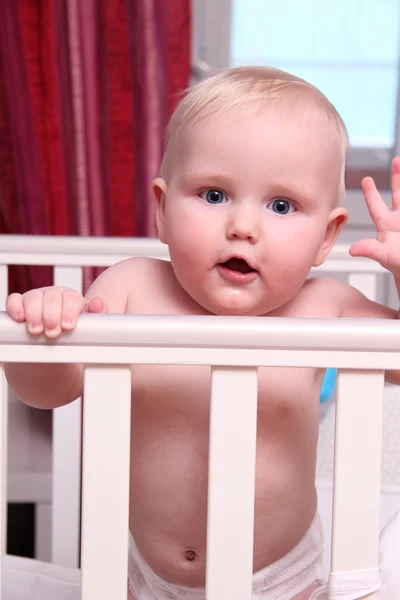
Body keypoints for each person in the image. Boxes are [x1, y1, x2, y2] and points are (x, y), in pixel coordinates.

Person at [5, 66, 400, 600]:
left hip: (282, 583)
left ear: (326, 237)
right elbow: (45, 392)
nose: (242, 225)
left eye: (281, 206)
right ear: (163, 210)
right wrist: (45, 329)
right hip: (144, 578)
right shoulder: (131, 288)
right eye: (213, 195)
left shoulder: (325, 306)